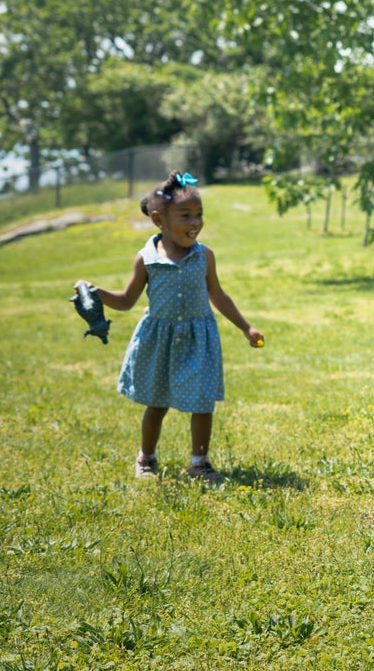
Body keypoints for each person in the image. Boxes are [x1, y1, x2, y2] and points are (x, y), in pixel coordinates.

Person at [78, 171, 263, 483]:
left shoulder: (204, 256)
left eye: (199, 214)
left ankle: (199, 463)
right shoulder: (146, 259)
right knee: (157, 403)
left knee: (203, 403)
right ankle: (146, 458)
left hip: (198, 339)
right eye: (185, 215)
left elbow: (218, 295)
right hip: (159, 341)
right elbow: (125, 300)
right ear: (158, 220)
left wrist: (246, 328)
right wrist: (97, 293)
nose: (195, 222)